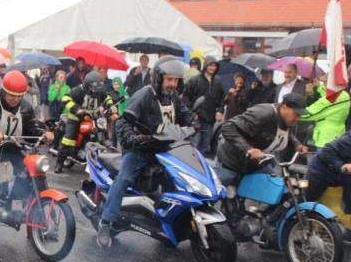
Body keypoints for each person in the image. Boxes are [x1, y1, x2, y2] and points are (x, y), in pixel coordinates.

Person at [96, 57, 190, 247]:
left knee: (177, 181)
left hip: (165, 149)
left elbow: (184, 114)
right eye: (169, 79)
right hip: (141, 149)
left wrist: (194, 121)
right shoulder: (144, 95)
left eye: (176, 80)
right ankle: (106, 222)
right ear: (159, 78)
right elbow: (123, 121)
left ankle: (170, 224)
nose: (173, 84)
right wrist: (131, 138)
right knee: (123, 179)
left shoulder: (173, 97)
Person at [0, 70, 54, 215]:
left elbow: (31, 128)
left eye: (19, 96)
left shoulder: (26, 107)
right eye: (12, 95)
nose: (16, 99)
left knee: (28, 173)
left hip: (10, 148)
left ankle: (13, 208)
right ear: (4, 91)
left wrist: (43, 133)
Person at [216, 93, 309, 187]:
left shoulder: (286, 119)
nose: (298, 118)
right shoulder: (263, 113)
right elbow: (228, 127)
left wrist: (296, 144)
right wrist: (248, 149)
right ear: (284, 107)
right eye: (296, 114)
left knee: (273, 186)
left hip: (256, 163)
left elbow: (286, 133)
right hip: (232, 161)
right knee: (219, 189)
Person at [54, 70, 117, 173]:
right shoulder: (78, 90)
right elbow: (65, 98)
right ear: (87, 86)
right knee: (68, 140)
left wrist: (111, 106)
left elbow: (107, 98)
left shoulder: (99, 90)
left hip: (92, 117)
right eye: (93, 89)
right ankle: (59, 164)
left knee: (102, 131)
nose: (95, 91)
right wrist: (76, 109)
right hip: (76, 118)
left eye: (96, 89)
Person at [183, 56, 225, 157]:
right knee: (195, 145)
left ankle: (203, 165)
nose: (213, 67)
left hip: (210, 119)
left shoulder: (218, 82)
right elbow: (185, 97)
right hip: (196, 119)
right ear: (206, 65)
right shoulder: (194, 80)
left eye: (215, 65)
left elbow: (221, 99)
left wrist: (220, 111)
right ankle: (193, 164)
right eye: (211, 65)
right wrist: (192, 113)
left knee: (206, 146)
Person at [298, 78, 351, 148]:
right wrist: (319, 87)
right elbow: (326, 94)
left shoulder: (331, 99)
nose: (323, 84)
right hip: (336, 135)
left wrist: (291, 112)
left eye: (325, 82)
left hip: (326, 138)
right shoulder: (344, 94)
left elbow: (308, 113)